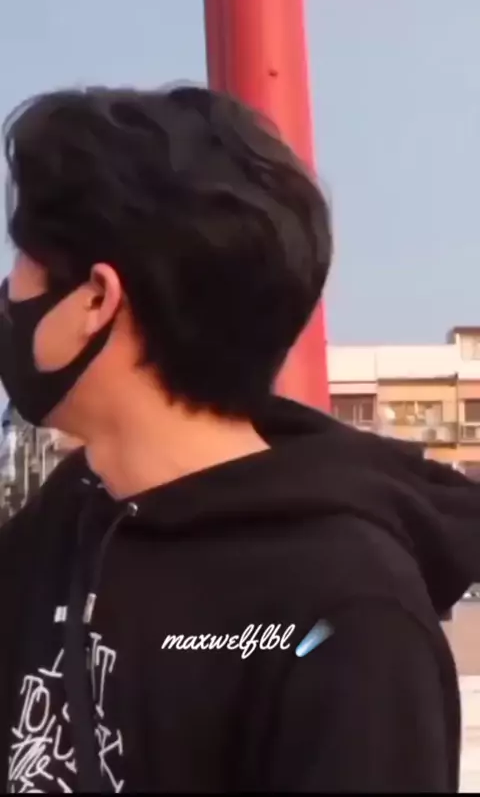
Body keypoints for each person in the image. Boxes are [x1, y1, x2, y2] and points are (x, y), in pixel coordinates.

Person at [0, 85, 478, 794]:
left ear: (96, 298)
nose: (10, 291)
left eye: (23, 258)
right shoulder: (70, 515)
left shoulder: (347, 614)